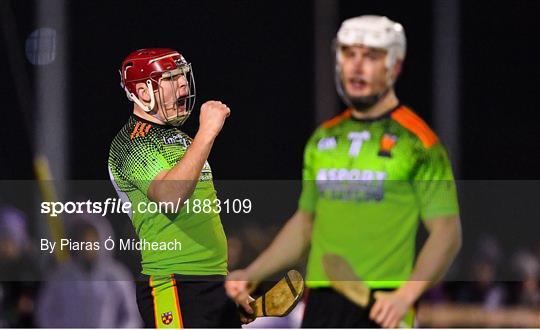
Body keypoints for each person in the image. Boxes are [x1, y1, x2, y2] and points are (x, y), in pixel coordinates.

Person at [225, 15, 462, 328]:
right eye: (349, 54)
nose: (357, 66)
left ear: (395, 66)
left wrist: (405, 296)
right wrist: (253, 272)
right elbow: (305, 223)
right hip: (322, 306)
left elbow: (447, 233)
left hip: (385, 307)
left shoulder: (419, 143)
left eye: (371, 56)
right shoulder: (323, 139)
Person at [108, 48, 242, 327]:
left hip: (210, 283)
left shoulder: (181, 139)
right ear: (144, 93)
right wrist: (207, 131)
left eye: (183, 76)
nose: (183, 84)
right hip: (174, 285)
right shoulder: (131, 144)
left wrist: (222, 287)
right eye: (171, 79)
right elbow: (170, 197)